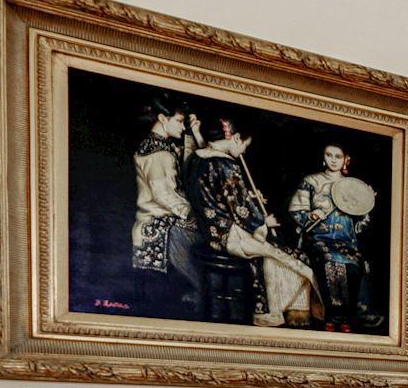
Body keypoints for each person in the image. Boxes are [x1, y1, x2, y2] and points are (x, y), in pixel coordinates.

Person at [182, 118, 322, 328]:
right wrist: (264, 221)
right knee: (299, 259)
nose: (243, 151)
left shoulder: (196, 159)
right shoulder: (227, 166)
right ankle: (281, 314)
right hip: (230, 236)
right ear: (236, 138)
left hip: (210, 232)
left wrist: (247, 196)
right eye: (244, 146)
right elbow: (242, 211)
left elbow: (217, 196)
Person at [288, 144, 382, 331]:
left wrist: (367, 202)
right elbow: (297, 211)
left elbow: (360, 224)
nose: (333, 159)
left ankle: (346, 317)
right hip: (318, 238)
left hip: (346, 241)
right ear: (323, 157)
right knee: (329, 261)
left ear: (345, 159)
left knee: (353, 265)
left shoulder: (353, 186)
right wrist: (312, 215)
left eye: (338, 156)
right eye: (329, 155)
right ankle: (331, 317)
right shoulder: (311, 181)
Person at [129, 96, 201, 315]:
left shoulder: (164, 145)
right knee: (209, 235)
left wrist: (194, 132)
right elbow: (162, 194)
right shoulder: (155, 152)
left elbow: (191, 163)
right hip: (157, 219)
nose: (182, 126)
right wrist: (191, 213)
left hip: (168, 213)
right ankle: (203, 290)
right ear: (162, 118)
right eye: (179, 121)